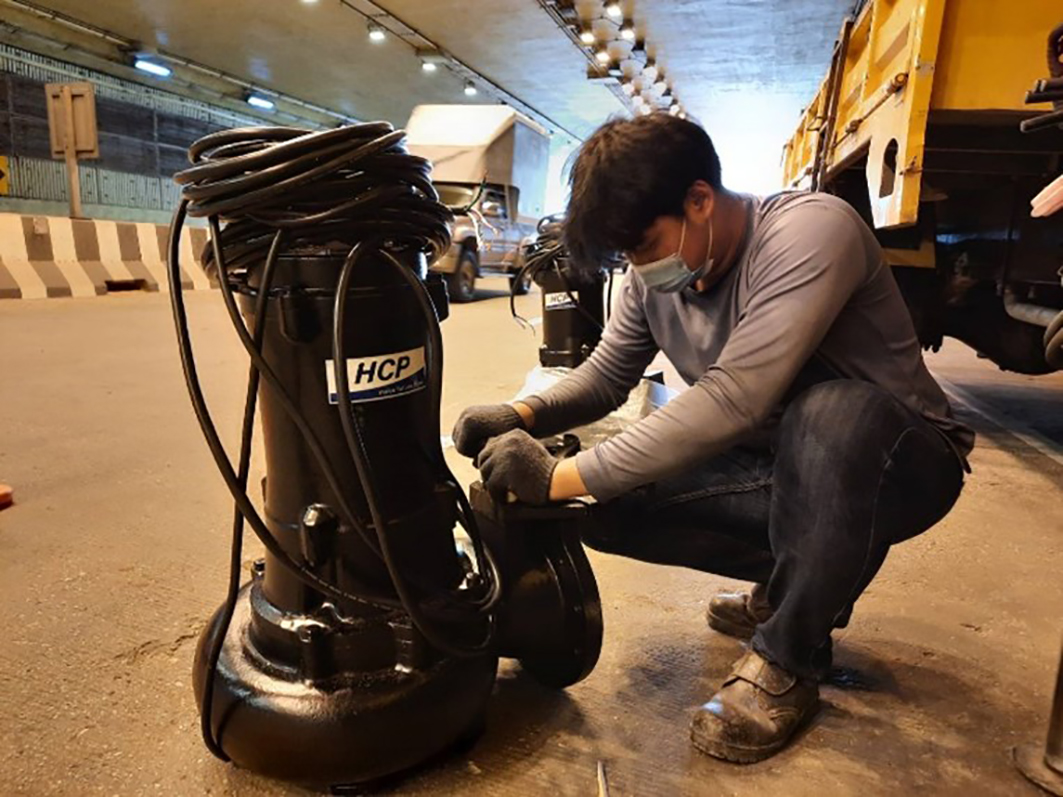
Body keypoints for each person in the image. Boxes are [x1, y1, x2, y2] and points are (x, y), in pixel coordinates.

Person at [452, 113, 973, 763]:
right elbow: (606, 377)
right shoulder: (653, 278)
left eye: (646, 244)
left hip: (900, 464)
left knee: (833, 412)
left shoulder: (810, 232)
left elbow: (733, 397)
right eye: (628, 256)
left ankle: (788, 656)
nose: (641, 267)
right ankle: (796, 585)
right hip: (777, 462)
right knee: (606, 500)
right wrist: (521, 415)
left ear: (698, 199)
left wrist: (555, 476)